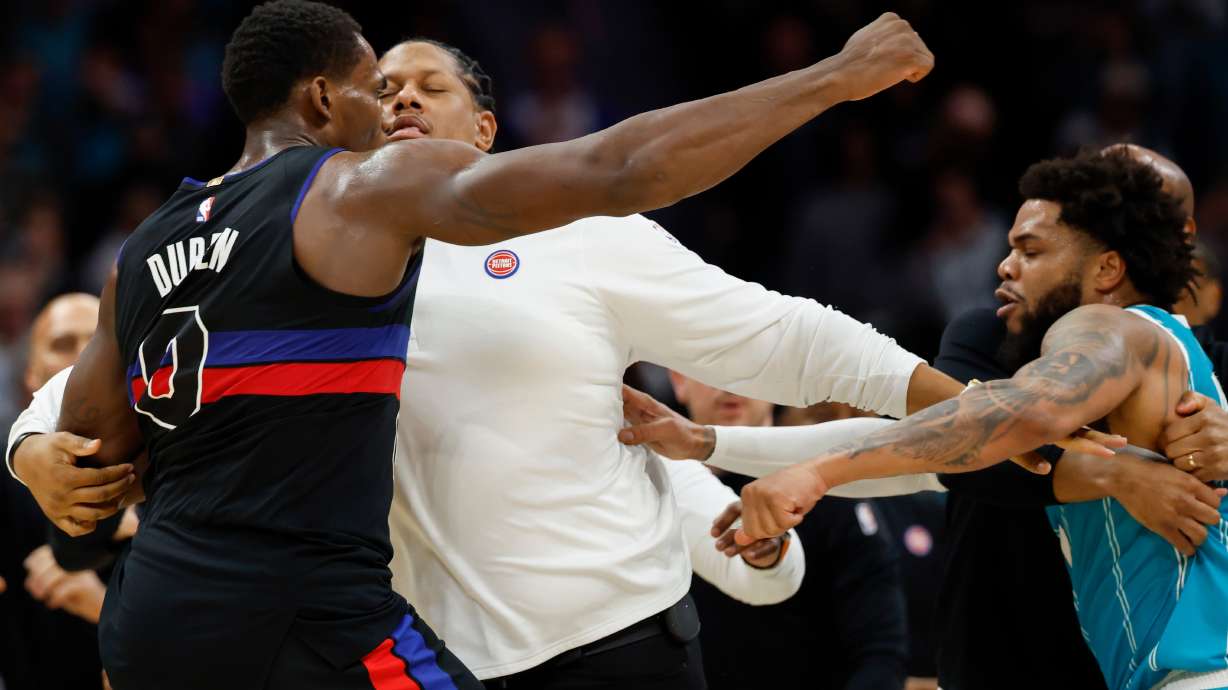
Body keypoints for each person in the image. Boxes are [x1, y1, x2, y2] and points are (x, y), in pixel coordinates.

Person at [12, 3, 941, 689]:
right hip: (352, 630)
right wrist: (29, 448)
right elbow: (89, 387)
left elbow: (780, 334)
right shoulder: (352, 203)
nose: (399, 105)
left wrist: (959, 401)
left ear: (486, 136)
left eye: (429, 89)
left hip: (598, 646)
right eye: (382, 89)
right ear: (328, 99)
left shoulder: (157, 242)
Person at [621, 146, 1228, 690]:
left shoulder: (1101, 325)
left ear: (1107, 268)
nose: (1004, 266)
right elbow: (939, 450)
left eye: (1031, 250)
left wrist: (817, 473)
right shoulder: (1167, 351)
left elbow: (1009, 417)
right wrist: (713, 443)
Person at [669, 372, 908, 690]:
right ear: (678, 381)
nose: (728, 382)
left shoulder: (829, 491)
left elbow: (881, 652)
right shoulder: (647, 493)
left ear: (777, 379)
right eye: (704, 366)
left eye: (747, 363)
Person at [0, 294, 104, 690]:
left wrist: (104, 605)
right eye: (63, 344)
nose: (81, 359)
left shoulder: (172, 460)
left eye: (96, 343)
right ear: (30, 374)